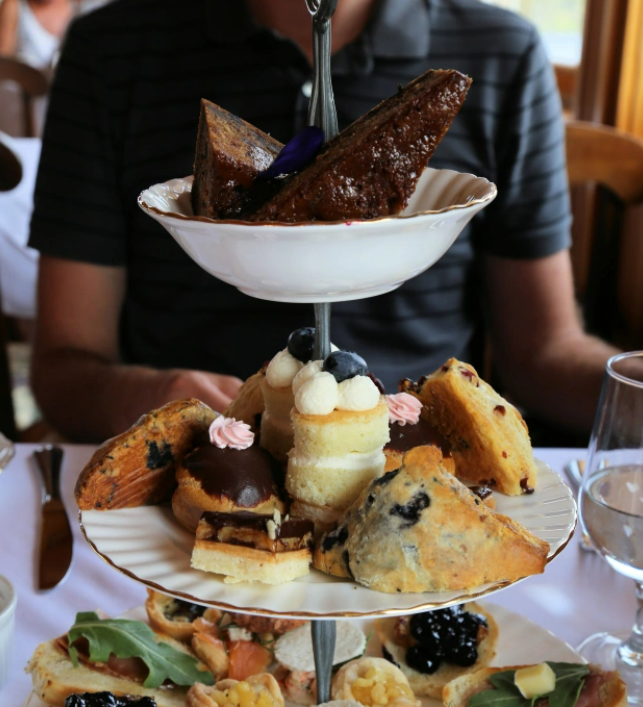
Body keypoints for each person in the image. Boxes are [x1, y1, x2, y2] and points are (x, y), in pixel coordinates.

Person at [28, 0, 617, 442]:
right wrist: (155, 398)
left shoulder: (501, 51)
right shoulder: (113, 51)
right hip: (198, 471)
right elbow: (62, 369)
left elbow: (543, 354)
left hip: (411, 462)